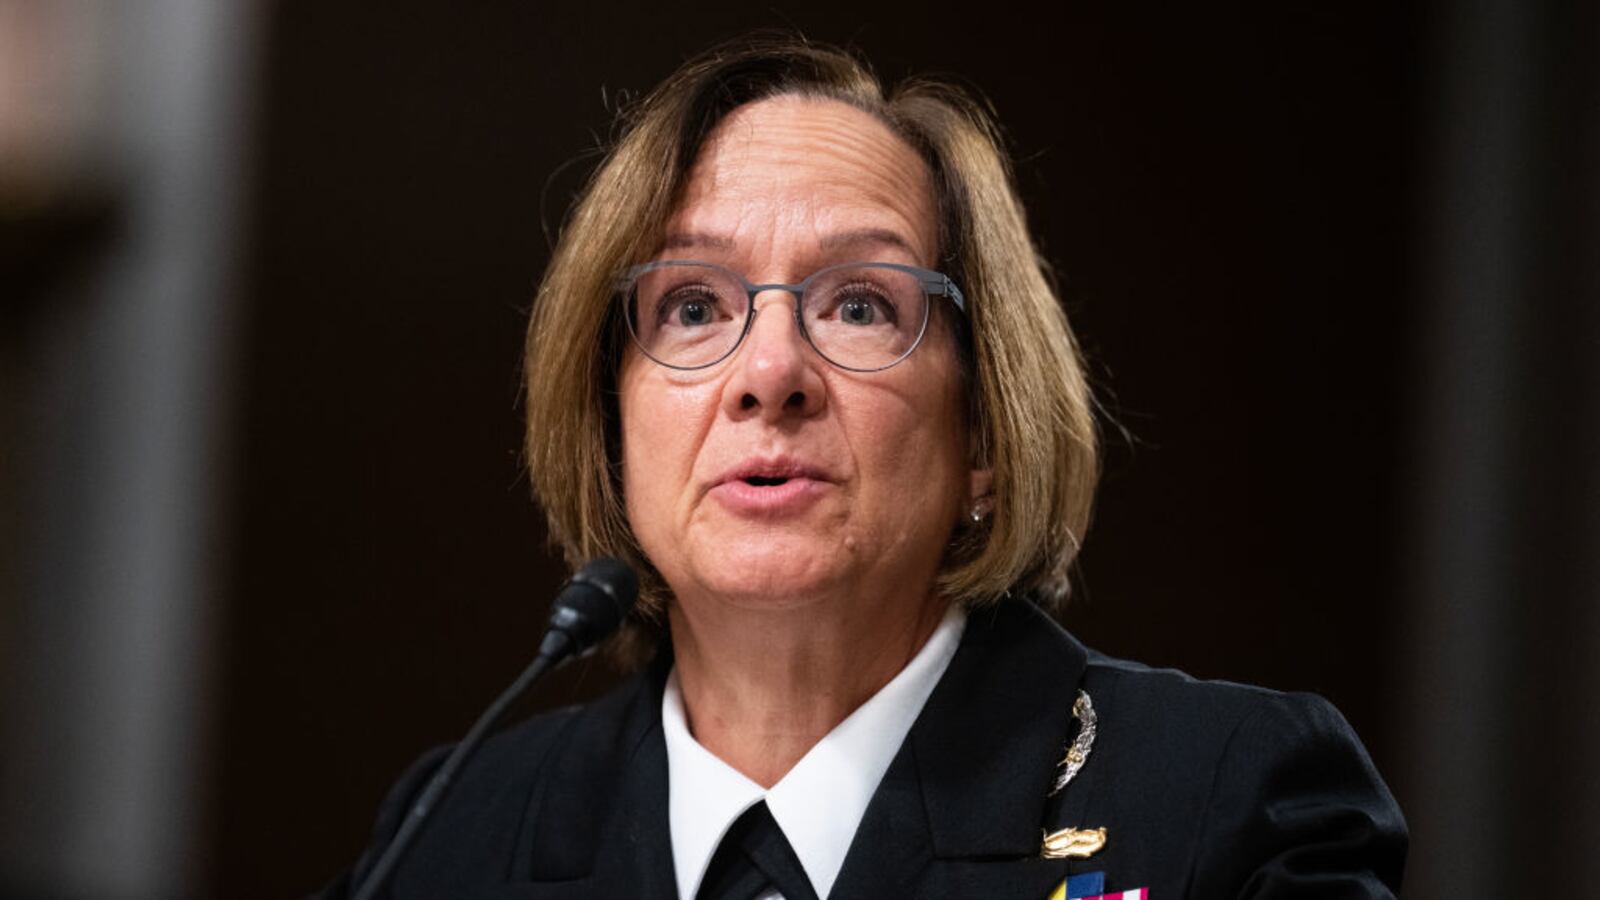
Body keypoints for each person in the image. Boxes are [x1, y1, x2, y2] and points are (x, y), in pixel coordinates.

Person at [320, 36, 1406, 899]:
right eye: (694, 307)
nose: (770, 374)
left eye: (859, 304)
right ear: (613, 426)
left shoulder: (1223, 803)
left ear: (982, 432)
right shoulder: (454, 832)